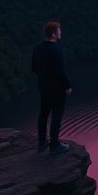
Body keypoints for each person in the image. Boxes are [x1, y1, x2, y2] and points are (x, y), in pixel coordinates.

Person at [31, 20, 72, 155]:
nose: (61, 33)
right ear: (54, 34)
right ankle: (54, 146)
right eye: (59, 31)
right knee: (56, 116)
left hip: (43, 87)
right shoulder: (57, 50)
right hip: (57, 90)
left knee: (43, 114)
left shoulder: (37, 48)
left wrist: (45, 78)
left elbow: (34, 68)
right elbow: (60, 72)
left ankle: (42, 142)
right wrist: (67, 86)